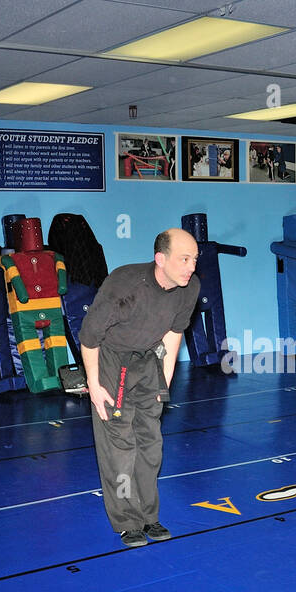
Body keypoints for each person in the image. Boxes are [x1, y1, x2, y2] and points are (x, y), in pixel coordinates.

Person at [80, 227, 200, 547]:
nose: (191, 266)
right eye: (184, 259)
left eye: (195, 259)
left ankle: (149, 515)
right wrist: (93, 385)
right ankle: (127, 521)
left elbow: (173, 337)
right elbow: (89, 337)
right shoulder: (125, 284)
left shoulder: (189, 288)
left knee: (150, 445)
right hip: (111, 361)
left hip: (149, 362)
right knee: (120, 448)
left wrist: (165, 383)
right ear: (160, 259)